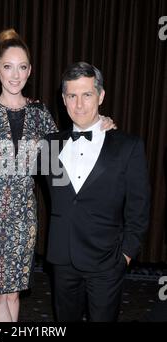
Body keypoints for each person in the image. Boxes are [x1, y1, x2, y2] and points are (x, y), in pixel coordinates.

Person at [0, 30, 115, 322]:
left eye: (22, 67)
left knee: (14, 293)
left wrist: (99, 123)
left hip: (23, 217)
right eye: (8, 66)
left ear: (30, 70)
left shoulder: (40, 114)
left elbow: (68, 144)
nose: (15, 75)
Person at [42, 62, 150, 322]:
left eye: (87, 94)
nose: (79, 104)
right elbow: (3, 161)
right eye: (72, 96)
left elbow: (139, 206)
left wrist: (125, 255)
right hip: (62, 258)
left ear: (100, 96)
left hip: (107, 261)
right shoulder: (49, 145)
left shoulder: (128, 146)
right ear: (64, 100)